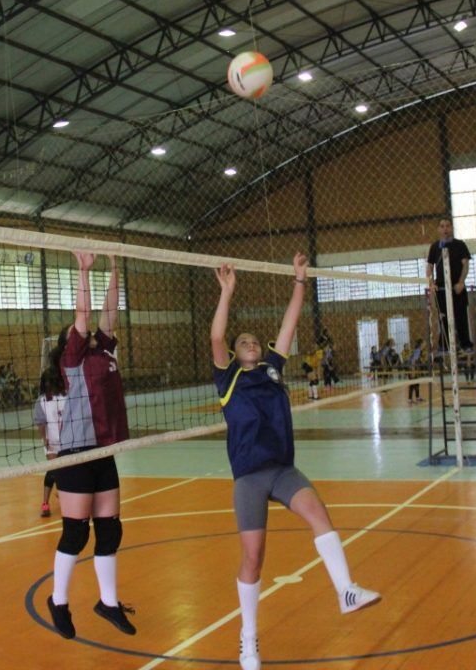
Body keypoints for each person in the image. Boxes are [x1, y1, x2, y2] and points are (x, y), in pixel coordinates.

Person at [211, 254, 380, 670]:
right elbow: (216, 336)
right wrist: (227, 293)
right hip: (249, 475)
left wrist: (300, 282)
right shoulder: (228, 376)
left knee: (320, 515)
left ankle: (346, 590)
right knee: (254, 557)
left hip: (283, 469)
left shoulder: (272, 368)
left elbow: (289, 323)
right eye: (243, 342)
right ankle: (248, 640)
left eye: (255, 340)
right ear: (234, 353)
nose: (251, 343)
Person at [45, 252, 135, 640]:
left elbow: (107, 311)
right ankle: (59, 601)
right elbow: (83, 315)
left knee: (110, 531)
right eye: (75, 331)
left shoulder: (106, 350)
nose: (82, 330)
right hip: (77, 454)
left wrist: (114, 270)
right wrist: (83, 271)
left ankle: (108, 602)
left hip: (103, 451)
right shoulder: (72, 358)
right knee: (76, 533)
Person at [426, 218, 473, 353]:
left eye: (447, 226)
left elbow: (465, 265)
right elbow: (429, 266)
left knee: (461, 316)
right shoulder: (435, 247)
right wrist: (431, 283)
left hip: (457, 287)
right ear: (438, 229)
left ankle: (465, 344)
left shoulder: (460, 245)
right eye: (442, 226)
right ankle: (444, 345)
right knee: (443, 317)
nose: (445, 229)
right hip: (441, 288)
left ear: (451, 228)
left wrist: (461, 282)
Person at [33, 362, 67, 518]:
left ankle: (64, 494)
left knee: (67, 470)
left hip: (68, 440)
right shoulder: (41, 401)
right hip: (51, 441)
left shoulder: (65, 396)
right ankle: (45, 503)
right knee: (53, 471)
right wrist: (44, 438)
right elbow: (41, 423)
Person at [407, 339, 425, 403]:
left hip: (413, 369)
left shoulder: (418, 350)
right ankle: (410, 399)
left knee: (416, 383)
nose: (424, 344)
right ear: (421, 344)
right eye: (424, 343)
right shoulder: (418, 351)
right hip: (412, 369)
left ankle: (417, 397)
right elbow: (413, 361)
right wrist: (413, 371)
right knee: (413, 384)